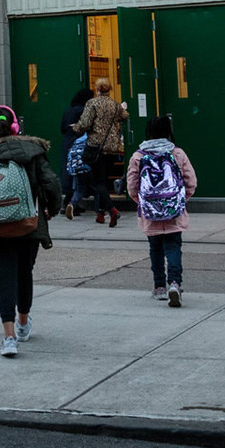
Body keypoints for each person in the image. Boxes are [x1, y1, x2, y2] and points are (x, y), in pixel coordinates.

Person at [0, 105, 63, 357]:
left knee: (4, 278)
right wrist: (51, 209)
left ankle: (8, 338)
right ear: (16, 127)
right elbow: (51, 182)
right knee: (24, 273)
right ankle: (22, 323)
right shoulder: (33, 151)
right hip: (29, 225)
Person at [125, 115, 198, 306]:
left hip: (150, 213)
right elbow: (191, 182)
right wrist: (179, 201)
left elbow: (132, 186)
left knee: (155, 248)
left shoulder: (138, 156)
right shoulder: (177, 153)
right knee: (173, 247)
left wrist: (144, 202)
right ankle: (174, 283)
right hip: (174, 212)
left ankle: (159, 287)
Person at [73, 77, 130, 227]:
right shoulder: (114, 104)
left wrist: (75, 127)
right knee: (104, 180)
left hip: (96, 146)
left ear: (97, 89)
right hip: (112, 146)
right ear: (109, 89)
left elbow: (84, 123)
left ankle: (112, 210)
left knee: (98, 181)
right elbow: (125, 116)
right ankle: (100, 213)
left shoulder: (92, 103)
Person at [58, 86, 95, 219]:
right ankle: (73, 203)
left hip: (67, 142)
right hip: (80, 143)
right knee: (80, 175)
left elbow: (62, 128)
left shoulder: (68, 110)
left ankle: (69, 202)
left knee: (70, 173)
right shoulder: (84, 110)